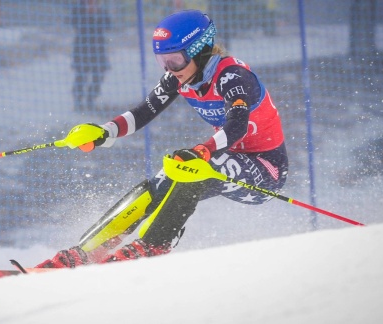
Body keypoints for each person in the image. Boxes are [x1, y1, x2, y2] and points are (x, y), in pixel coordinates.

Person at [35, 9, 288, 268]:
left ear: (200, 52)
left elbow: (238, 125)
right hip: (222, 158)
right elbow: (144, 111)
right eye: (162, 61)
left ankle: (152, 246)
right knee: (162, 181)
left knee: (194, 168)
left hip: (266, 173)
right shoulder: (180, 77)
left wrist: (204, 149)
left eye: (175, 60)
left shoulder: (233, 77)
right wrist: (105, 131)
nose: (169, 69)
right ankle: (84, 253)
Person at [70, 0, 111, 112]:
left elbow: (108, 25)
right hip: (82, 48)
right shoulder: (78, 9)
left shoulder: (101, 10)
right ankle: (78, 101)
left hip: (98, 48)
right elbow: (74, 24)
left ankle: (90, 99)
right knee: (81, 75)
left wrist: (97, 14)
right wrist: (87, 14)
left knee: (98, 75)